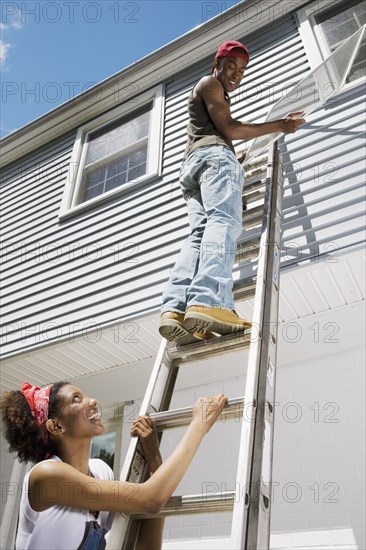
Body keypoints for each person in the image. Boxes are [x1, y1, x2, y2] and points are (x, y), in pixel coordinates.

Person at [159, 40, 305, 343]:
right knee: (223, 222)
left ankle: (175, 308)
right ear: (217, 64)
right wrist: (280, 125)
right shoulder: (209, 84)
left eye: (242, 70)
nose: (236, 74)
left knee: (199, 234)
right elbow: (231, 129)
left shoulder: (210, 96)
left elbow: (211, 137)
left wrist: (230, 158)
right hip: (212, 160)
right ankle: (209, 300)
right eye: (231, 66)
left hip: (193, 169)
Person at [0, 381, 227, 549]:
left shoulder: (100, 470)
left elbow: (147, 545)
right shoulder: (45, 475)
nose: (92, 401)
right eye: (76, 399)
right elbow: (151, 498)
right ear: (56, 426)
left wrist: (154, 458)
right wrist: (199, 425)